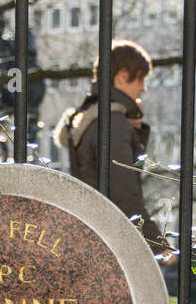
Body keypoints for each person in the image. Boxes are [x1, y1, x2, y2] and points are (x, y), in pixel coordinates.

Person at [54, 39, 162, 243]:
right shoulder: (112, 123)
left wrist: (134, 129)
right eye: (140, 80)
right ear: (122, 77)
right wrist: (156, 243)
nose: (143, 88)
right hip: (111, 237)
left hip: (92, 233)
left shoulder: (91, 116)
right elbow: (124, 193)